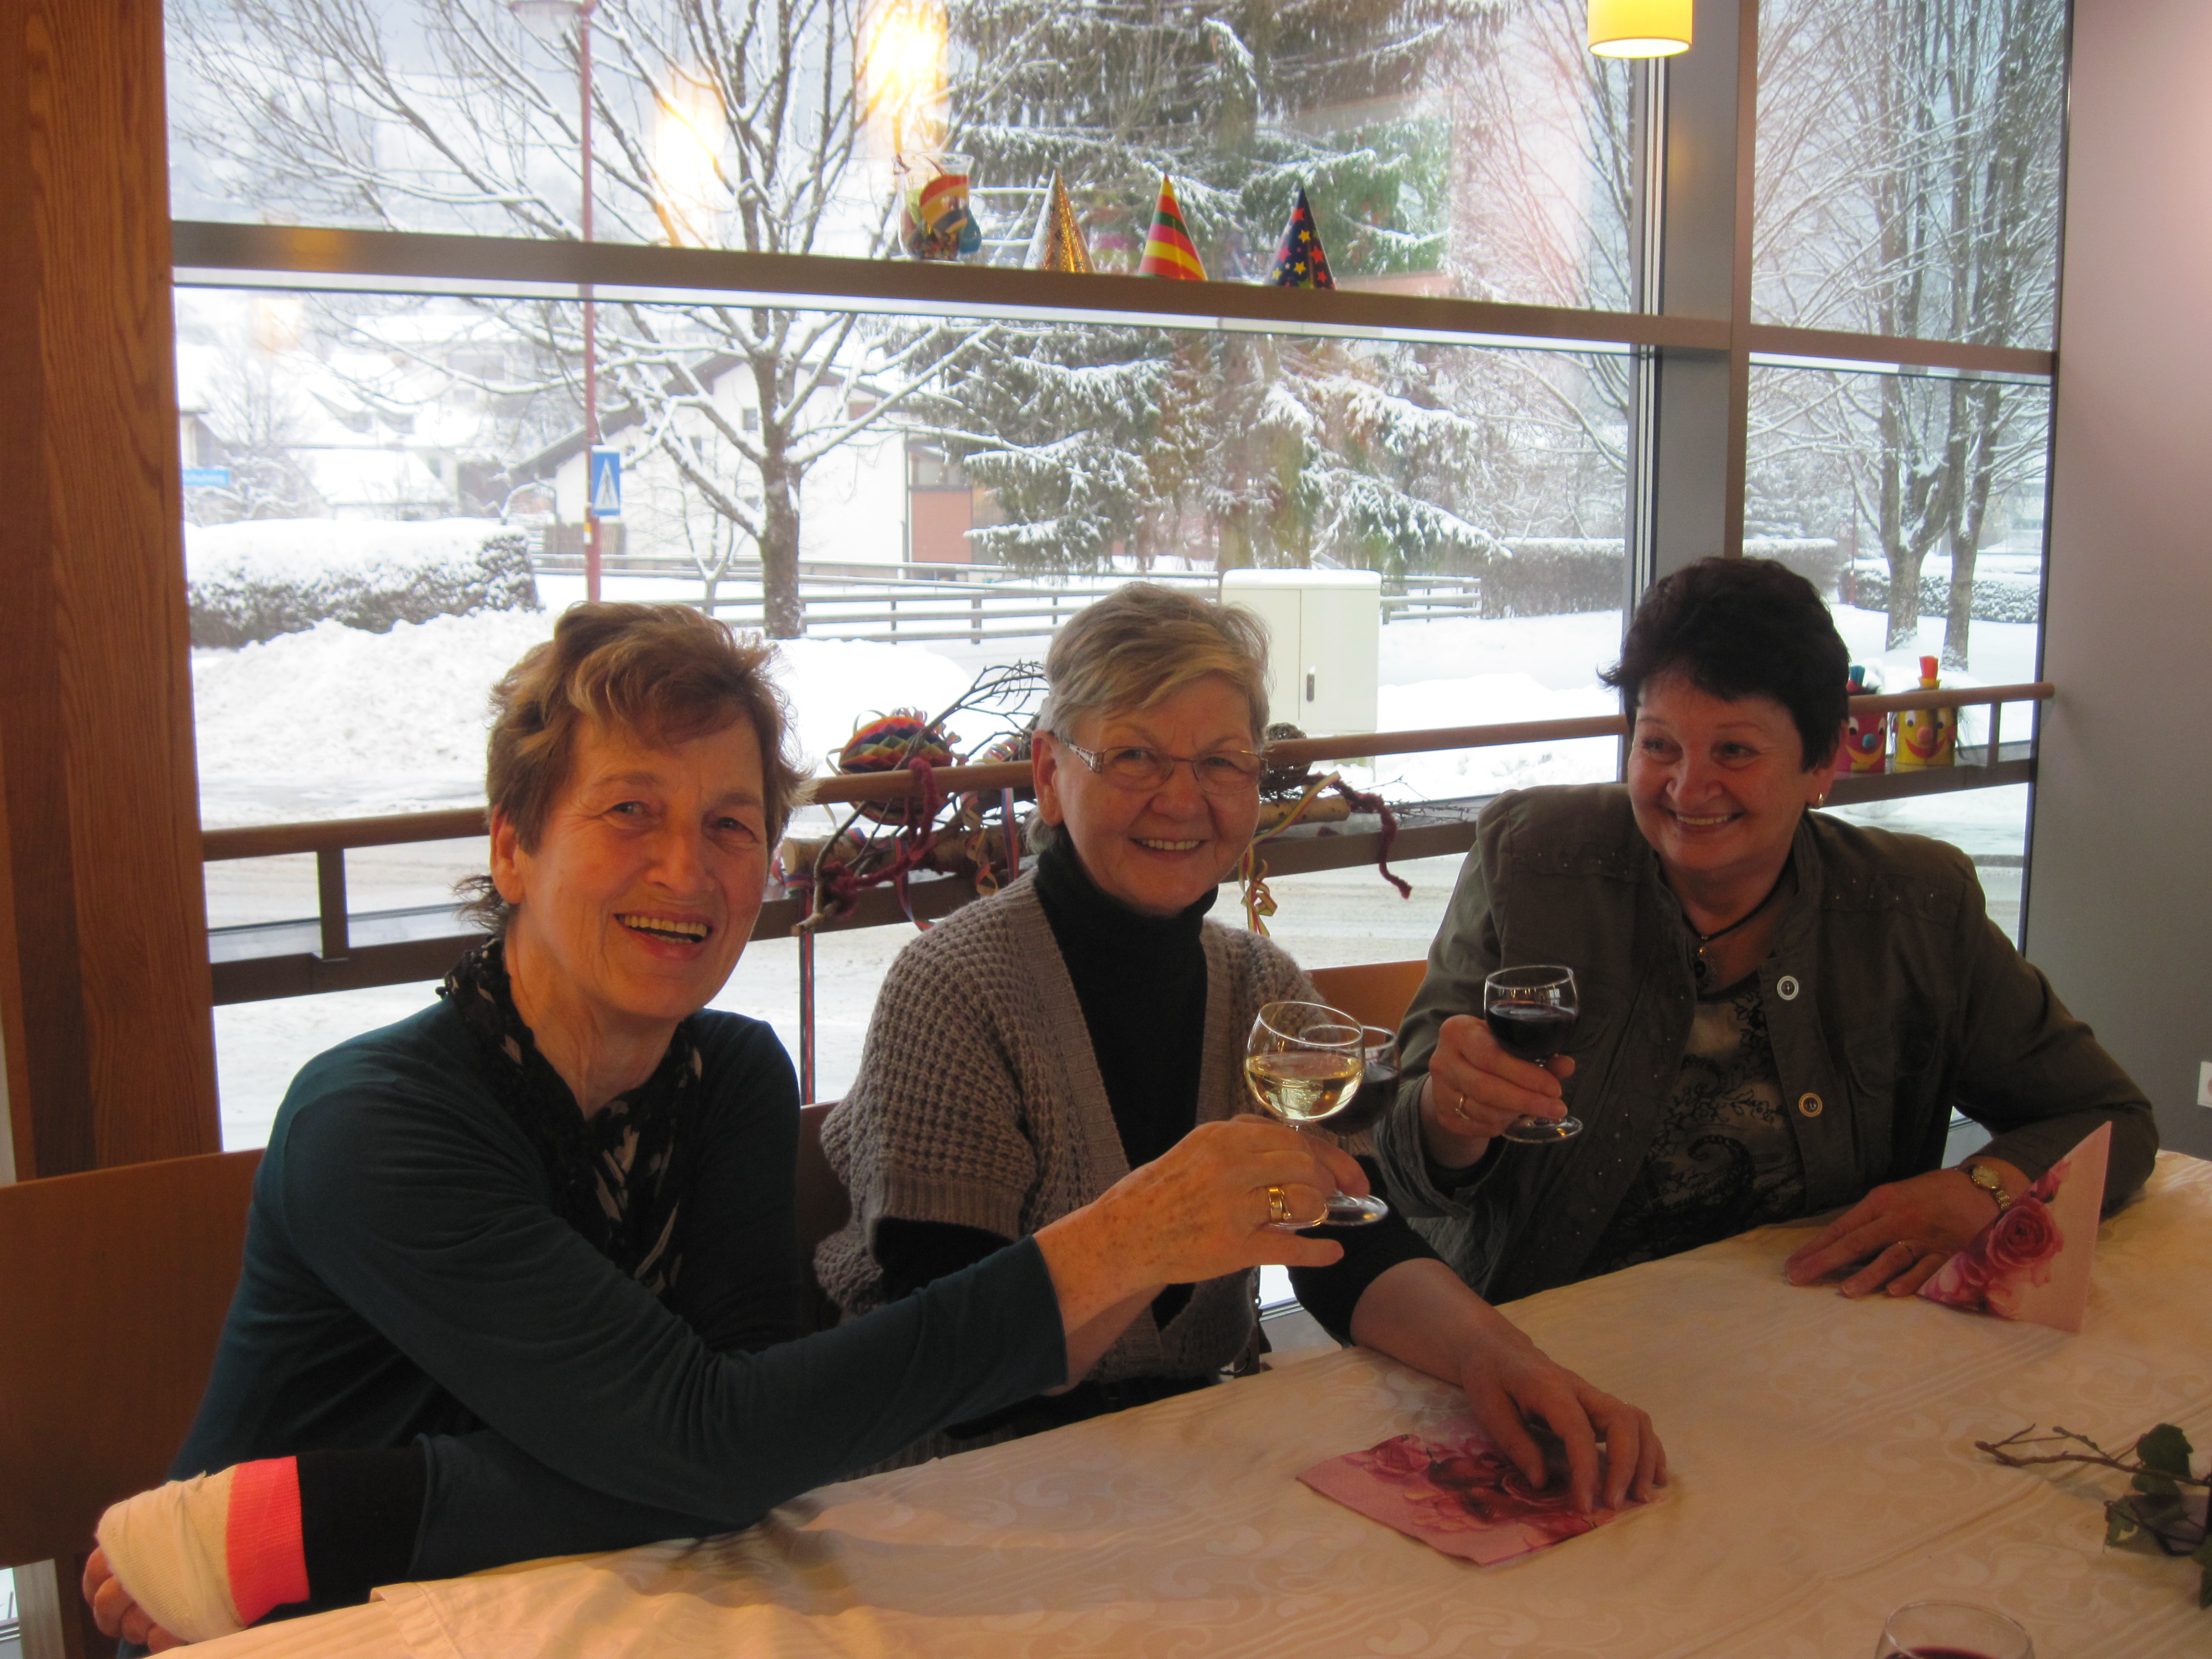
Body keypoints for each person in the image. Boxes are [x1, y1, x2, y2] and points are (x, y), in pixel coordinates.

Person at [84, 603, 1370, 1651]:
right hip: (292, 1624)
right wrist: (1121, 1241)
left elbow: (736, 1444)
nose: (683, 868)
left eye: (728, 825)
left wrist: (324, 1510)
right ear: (513, 848)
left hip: (575, 1597)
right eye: (627, 811)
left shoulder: (729, 1078)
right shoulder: (375, 1122)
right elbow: (721, 1447)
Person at [816, 583, 1666, 1507]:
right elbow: (957, 1369)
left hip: (1178, 1458)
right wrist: (1150, 1235)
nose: (1183, 799)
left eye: (1221, 762)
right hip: (957, 1488)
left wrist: (1496, 1357)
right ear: (1050, 775)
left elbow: (1349, 1245)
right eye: (1135, 755)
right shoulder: (955, 989)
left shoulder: (1261, 987)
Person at [1373, 556, 2157, 1305]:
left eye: (1735, 751)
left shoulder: (1917, 909)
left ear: (1823, 762)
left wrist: (1984, 1190)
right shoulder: (1532, 860)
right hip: (1549, 1332)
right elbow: (1397, 1168)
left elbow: (2111, 1119)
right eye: (1659, 745)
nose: (1688, 788)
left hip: (1822, 1336)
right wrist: (1449, 1115)